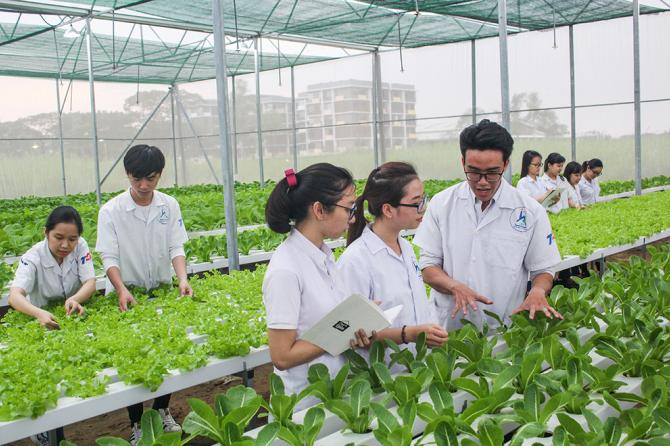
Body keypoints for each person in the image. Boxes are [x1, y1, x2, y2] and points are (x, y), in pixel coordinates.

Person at [414, 119, 563, 331]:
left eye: (492, 173)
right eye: (473, 172)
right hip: (448, 328)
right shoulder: (442, 203)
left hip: (504, 326)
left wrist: (538, 291)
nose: (482, 182)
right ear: (462, 162)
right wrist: (454, 286)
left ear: (505, 165)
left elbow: (543, 268)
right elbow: (428, 266)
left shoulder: (530, 211)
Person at [96, 145, 189, 444]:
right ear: (128, 175)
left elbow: (177, 246)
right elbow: (108, 256)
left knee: (166, 351)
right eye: (137, 178)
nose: (144, 185)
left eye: (151, 178)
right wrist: (121, 288)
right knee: (133, 358)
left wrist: (183, 279)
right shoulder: (111, 210)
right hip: (126, 294)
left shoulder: (169, 205)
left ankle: (162, 410)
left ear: (160, 175)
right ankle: (136, 423)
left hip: (161, 291)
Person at [263, 163, 370, 410]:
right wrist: (342, 333)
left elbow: (330, 323)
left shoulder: (325, 255)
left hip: (333, 392)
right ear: (320, 210)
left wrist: (356, 324)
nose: (353, 218)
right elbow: (282, 356)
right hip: (304, 403)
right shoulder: (286, 270)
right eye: (349, 208)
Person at [338, 162, 448, 353]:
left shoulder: (405, 247)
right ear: (388, 210)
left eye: (424, 199)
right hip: (382, 374)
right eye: (416, 203)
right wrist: (408, 334)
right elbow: (350, 332)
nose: (423, 208)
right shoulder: (356, 260)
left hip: (416, 367)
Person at [8, 205, 95, 446]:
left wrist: (75, 299)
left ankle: (55, 430)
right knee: (47, 379)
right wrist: (39, 314)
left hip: (70, 318)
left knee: (70, 375)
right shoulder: (32, 257)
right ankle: (47, 431)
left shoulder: (82, 247)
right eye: (59, 237)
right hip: (41, 323)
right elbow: (14, 296)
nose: (66, 245)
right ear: (45, 233)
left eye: (72, 239)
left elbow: (90, 281)